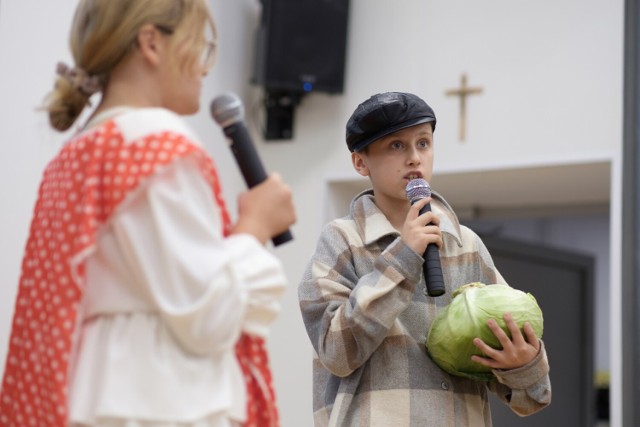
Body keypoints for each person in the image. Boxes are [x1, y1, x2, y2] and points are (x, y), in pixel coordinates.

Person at [0, 1, 296, 426]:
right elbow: (206, 314)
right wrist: (255, 226)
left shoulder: (78, 151)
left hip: (99, 388)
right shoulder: (154, 141)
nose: (206, 67)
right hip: (161, 395)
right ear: (152, 43)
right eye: (202, 46)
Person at [298, 92, 551, 426]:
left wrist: (523, 363)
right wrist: (404, 256)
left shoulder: (466, 245)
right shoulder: (342, 240)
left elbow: (532, 399)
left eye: (423, 143)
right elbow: (337, 352)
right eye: (396, 146)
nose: (415, 158)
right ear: (361, 162)